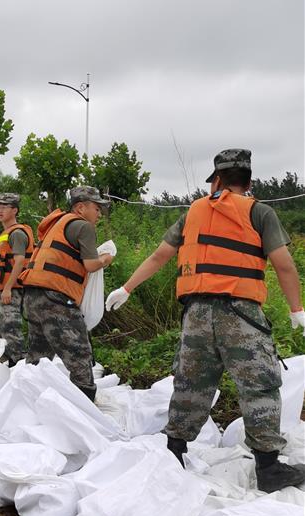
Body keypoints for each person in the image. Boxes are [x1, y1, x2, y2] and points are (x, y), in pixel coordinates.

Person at [106, 148, 305, 493]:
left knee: (191, 383)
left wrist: (126, 287)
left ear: (216, 180)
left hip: (196, 314)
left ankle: (173, 454)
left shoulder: (193, 212)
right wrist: (296, 310)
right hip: (240, 313)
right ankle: (269, 469)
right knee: (259, 385)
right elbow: (284, 265)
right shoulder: (260, 212)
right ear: (249, 181)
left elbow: (160, 256)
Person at [20, 185, 114, 400]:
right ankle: (85, 408)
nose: (99, 214)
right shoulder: (83, 226)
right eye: (96, 208)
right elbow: (91, 264)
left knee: (38, 355)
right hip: (55, 299)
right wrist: (106, 258)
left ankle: (26, 399)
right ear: (80, 208)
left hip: (33, 297)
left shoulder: (57, 224)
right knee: (79, 354)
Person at [0, 192, 34, 365]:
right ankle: (8, 363)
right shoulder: (4, 233)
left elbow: (20, 261)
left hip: (13, 289)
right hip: (4, 289)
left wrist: (8, 288)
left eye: (4, 207)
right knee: (2, 328)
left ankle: (20, 364)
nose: (0, 210)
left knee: (11, 328)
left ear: (15, 210)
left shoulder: (17, 233)